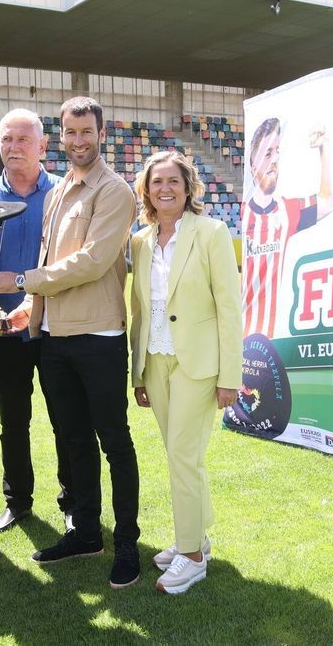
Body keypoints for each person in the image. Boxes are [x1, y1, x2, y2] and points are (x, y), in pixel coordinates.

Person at [0, 96, 140, 588]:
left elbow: (91, 262)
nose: (77, 141)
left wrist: (22, 281)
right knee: (73, 441)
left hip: (98, 337)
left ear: (100, 134)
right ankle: (87, 533)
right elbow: (56, 264)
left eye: (85, 132)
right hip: (53, 337)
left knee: (113, 441)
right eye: (70, 133)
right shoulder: (57, 192)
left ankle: (127, 544)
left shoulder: (115, 191)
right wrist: (25, 315)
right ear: (61, 137)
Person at [129, 151, 242, 594]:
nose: (165, 189)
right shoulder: (140, 240)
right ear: (147, 190)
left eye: (173, 181)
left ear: (188, 186)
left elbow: (229, 309)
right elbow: (139, 307)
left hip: (199, 363)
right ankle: (197, 537)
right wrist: (138, 374)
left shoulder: (212, 233)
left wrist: (229, 375)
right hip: (156, 358)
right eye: (157, 182)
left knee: (182, 454)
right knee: (183, 456)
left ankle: (192, 557)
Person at [0, 108, 73, 534]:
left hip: (55, 324)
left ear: (43, 146)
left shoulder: (65, 193)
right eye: (6, 139)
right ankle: (18, 501)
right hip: (5, 329)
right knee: (13, 420)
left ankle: (73, 500)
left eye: (22, 140)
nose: (13, 147)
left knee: (65, 417)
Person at [241, 118, 333, 338]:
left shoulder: (287, 210)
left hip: (281, 340)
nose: (274, 159)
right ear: (252, 163)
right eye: (267, 154)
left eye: (277, 152)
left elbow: (329, 200)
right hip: (243, 337)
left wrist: (323, 148)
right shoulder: (242, 214)